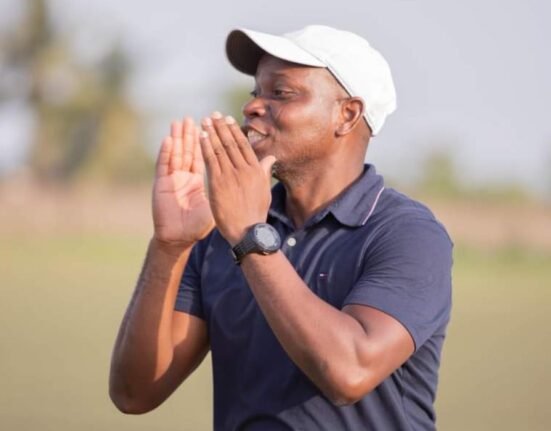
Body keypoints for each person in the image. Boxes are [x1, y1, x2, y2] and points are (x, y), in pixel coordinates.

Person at [109, 25, 453, 431]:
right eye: (256, 92)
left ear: (347, 114)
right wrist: (170, 246)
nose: (252, 106)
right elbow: (134, 394)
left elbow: (349, 372)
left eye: (282, 93)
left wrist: (250, 236)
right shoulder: (224, 230)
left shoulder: (407, 234)